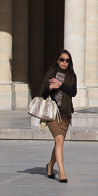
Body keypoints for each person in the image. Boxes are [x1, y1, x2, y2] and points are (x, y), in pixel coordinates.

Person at [40, 50, 77, 183]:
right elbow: (43, 95)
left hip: (65, 113)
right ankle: (62, 171)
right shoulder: (51, 73)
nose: (64, 62)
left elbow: (73, 92)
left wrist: (61, 85)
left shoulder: (72, 76)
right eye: (62, 59)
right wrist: (50, 88)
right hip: (52, 113)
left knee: (58, 142)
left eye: (67, 60)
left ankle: (50, 165)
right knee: (59, 139)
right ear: (57, 60)